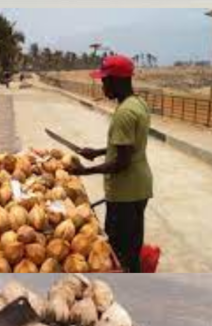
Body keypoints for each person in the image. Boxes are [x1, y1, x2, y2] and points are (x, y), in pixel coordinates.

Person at [68, 55, 153, 272]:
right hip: (139, 187)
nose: (103, 85)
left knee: (118, 253)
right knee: (132, 245)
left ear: (117, 80)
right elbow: (127, 146)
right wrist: (97, 152)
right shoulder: (138, 103)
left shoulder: (124, 113)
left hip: (125, 192)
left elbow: (121, 162)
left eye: (105, 80)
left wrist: (84, 171)